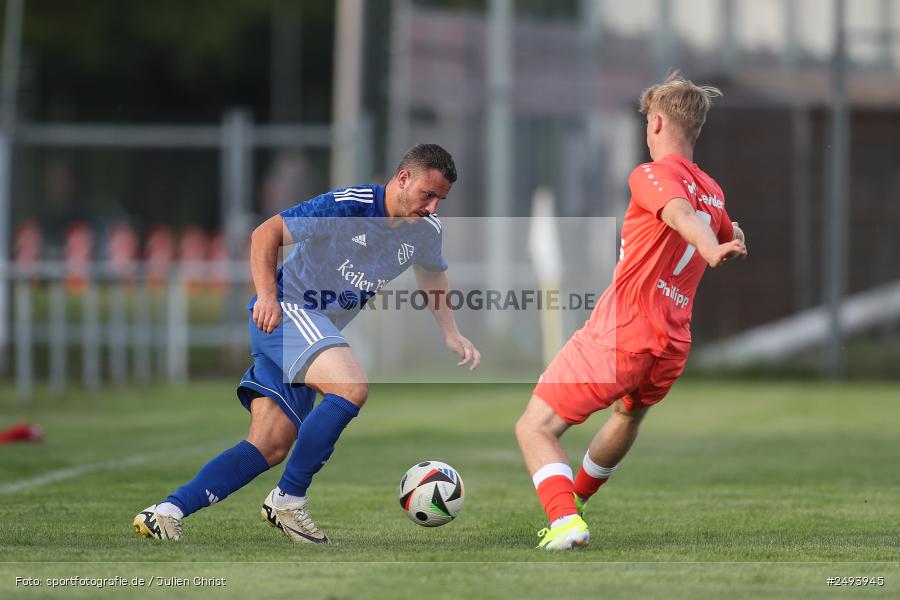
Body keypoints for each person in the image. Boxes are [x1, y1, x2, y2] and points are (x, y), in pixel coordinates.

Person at [134, 144, 480, 543]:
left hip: (310, 331)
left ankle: (165, 513)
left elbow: (432, 273)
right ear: (403, 179)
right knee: (350, 387)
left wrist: (450, 332)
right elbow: (266, 234)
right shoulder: (348, 206)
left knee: (269, 445)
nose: (433, 207)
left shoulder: (426, 230)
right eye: (428, 194)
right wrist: (267, 296)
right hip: (287, 312)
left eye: (440, 200)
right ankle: (288, 500)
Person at [514, 72, 747, 550]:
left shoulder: (650, 174)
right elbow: (725, 230)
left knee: (534, 426)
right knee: (626, 417)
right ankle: (575, 503)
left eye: (646, 122)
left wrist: (709, 247)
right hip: (672, 343)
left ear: (656, 123)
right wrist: (729, 239)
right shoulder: (712, 190)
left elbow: (681, 216)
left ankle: (564, 520)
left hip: (623, 331)